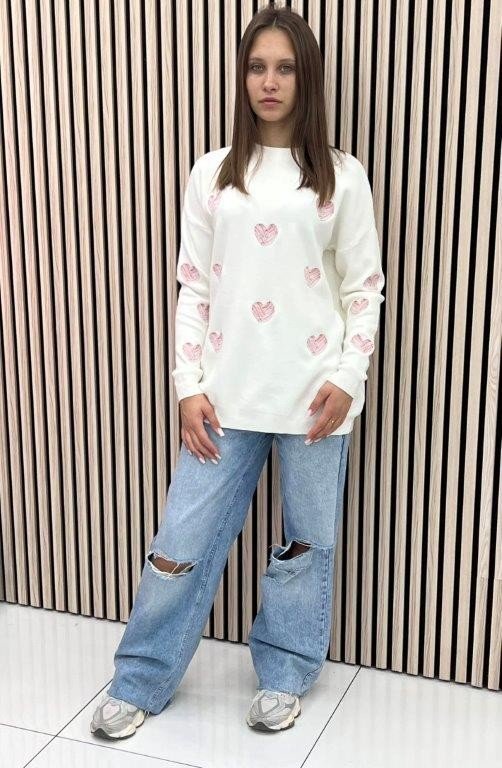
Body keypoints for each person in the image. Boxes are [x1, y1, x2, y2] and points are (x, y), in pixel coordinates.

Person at [90, 3, 385, 739]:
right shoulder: (212, 174)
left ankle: (285, 672)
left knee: (303, 550)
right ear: (243, 77)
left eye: (285, 67)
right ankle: (141, 678)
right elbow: (193, 287)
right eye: (257, 67)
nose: (270, 82)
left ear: (306, 77)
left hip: (315, 400)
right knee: (178, 546)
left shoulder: (342, 177)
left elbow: (364, 288)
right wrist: (187, 386)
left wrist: (349, 377)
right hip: (223, 399)